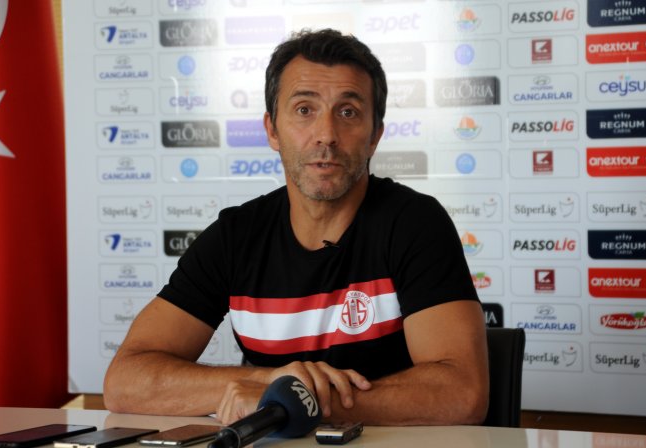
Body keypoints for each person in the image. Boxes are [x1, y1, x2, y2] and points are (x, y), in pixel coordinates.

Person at [104, 28, 489, 426]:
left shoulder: (415, 223)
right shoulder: (237, 236)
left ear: (375, 135)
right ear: (272, 130)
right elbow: (125, 382)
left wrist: (296, 400)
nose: (326, 135)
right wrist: (267, 383)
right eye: (305, 110)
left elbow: (463, 393)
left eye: (348, 112)